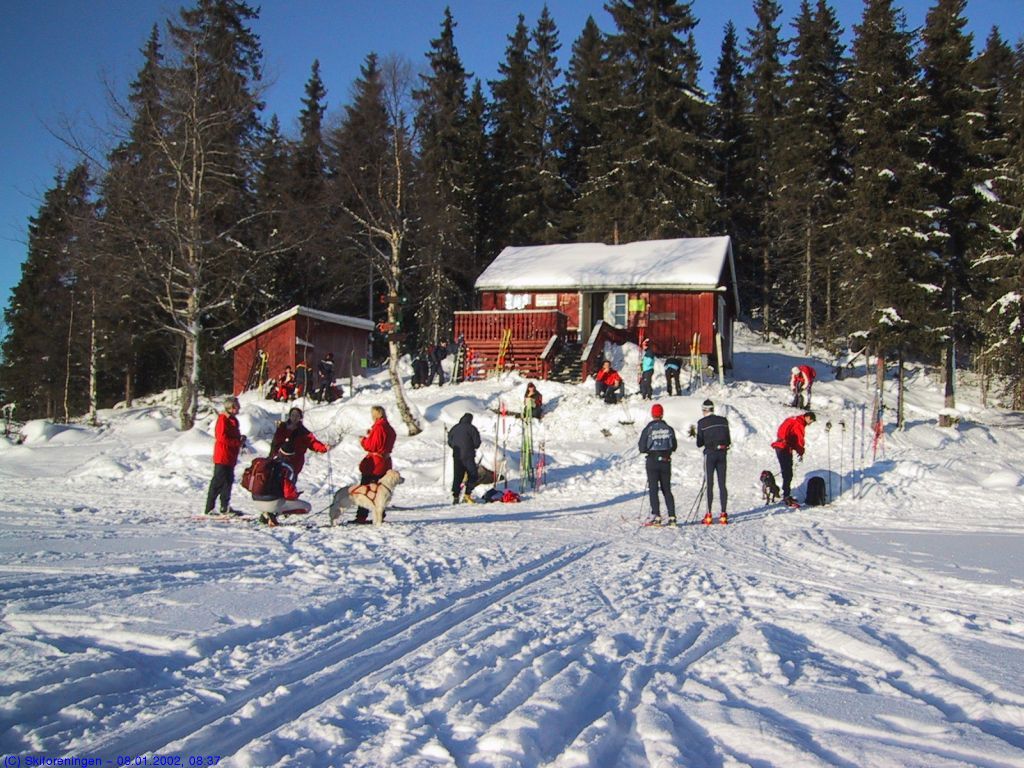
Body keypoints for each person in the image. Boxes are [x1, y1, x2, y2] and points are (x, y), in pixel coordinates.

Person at [203, 396, 247, 515]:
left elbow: (233, 435)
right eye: (237, 407)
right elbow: (221, 437)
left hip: (231, 456)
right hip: (223, 455)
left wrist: (240, 439)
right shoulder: (223, 419)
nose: (238, 409)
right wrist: (237, 442)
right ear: (231, 407)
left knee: (228, 481)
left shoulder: (233, 420)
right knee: (218, 482)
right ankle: (209, 507)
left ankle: (224, 506)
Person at [638, 403, 677, 525]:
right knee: (667, 489)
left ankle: (657, 516)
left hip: (652, 461)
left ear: (652, 414)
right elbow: (674, 446)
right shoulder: (669, 428)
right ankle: (672, 516)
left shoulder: (648, 429)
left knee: (653, 489)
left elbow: (642, 447)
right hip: (666, 461)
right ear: (662, 414)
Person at [695, 399, 731, 525]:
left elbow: (699, 443)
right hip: (722, 453)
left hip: (710, 455)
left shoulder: (702, 422)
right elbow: (728, 439)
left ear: (704, 410)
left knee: (709, 483)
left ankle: (708, 514)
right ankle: (723, 514)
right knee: (722, 483)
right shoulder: (723, 421)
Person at [269, 406, 329, 479]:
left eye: (297, 416)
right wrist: (271, 456)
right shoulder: (282, 427)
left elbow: (312, 442)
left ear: (300, 418)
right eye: (293, 415)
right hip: (280, 459)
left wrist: (323, 448)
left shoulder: (303, 432)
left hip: (295, 462)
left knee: (289, 482)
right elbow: (275, 443)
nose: (294, 418)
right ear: (290, 416)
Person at [771, 411, 816, 505]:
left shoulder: (794, 419)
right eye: (811, 421)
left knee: (786, 471)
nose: (810, 423)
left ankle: (783, 493)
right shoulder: (799, 423)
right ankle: (785, 496)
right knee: (788, 473)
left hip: (781, 446)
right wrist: (801, 451)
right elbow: (799, 439)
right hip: (784, 447)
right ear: (807, 417)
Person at [251, 458, 311, 527]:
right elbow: (289, 494)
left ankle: (267, 514)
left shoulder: (267, 464)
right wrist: (296, 494)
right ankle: (273, 514)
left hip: (256, 502)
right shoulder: (285, 467)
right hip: (272, 504)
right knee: (307, 507)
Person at [447, 412, 481, 504]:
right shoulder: (472, 429)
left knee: (457, 476)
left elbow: (450, 442)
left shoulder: (454, 428)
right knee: (473, 474)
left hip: (457, 456)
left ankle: (456, 495)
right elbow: (477, 443)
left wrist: (456, 448)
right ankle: (467, 493)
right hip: (469, 456)